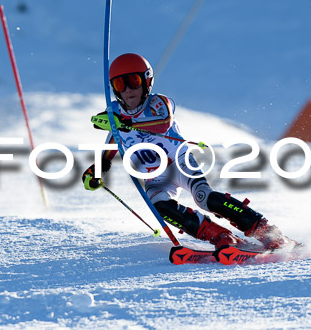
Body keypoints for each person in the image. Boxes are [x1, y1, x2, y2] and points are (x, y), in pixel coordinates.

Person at [82, 53, 292, 250]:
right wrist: (97, 170)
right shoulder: (115, 115)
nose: (128, 90)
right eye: (120, 84)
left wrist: (126, 122)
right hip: (155, 176)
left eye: (134, 82)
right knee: (160, 205)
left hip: (180, 163)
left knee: (205, 198)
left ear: (146, 81)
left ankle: (267, 233)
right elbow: (112, 144)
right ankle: (220, 236)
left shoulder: (158, 103)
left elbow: (163, 124)